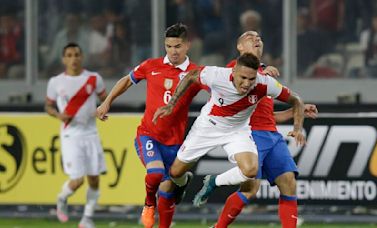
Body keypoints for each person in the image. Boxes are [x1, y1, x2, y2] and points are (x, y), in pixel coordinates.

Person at [153, 54, 306, 225]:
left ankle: (214, 181)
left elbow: (296, 100)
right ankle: (184, 182)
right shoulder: (217, 75)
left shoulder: (264, 83)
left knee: (251, 171)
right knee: (175, 173)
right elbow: (191, 76)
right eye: (243, 78)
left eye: (251, 79)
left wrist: (297, 128)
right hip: (208, 127)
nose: (247, 83)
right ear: (234, 72)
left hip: (238, 130)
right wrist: (171, 104)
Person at [193, 31, 317, 228]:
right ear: (240, 47)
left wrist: (294, 111)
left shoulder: (264, 77)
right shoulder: (235, 71)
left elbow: (268, 116)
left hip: (271, 135)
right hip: (250, 134)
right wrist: (262, 73)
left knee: (289, 183)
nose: (257, 39)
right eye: (250, 38)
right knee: (251, 188)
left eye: (259, 37)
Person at [96, 23, 204, 228]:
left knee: (168, 191)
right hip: (149, 135)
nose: (173, 51)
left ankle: (178, 189)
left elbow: (220, 83)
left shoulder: (195, 73)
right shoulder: (151, 65)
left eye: (178, 46)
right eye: (169, 46)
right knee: (155, 175)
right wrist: (107, 101)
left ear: (187, 45)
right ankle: (148, 205)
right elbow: (127, 81)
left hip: (175, 141)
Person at [45, 42, 107, 228]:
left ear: (82, 57)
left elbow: (105, 99)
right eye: (70, 55)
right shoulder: (55, 82)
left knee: (94, 178)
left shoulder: (94, 79)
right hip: (70, 135)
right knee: (78, 180)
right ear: (64, 59)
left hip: (91, 133)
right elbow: (48, 106)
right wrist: (58, 114)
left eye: (77, 55)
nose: (74, 58)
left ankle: (87, 218)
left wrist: (102, 110)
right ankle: (62, 198)